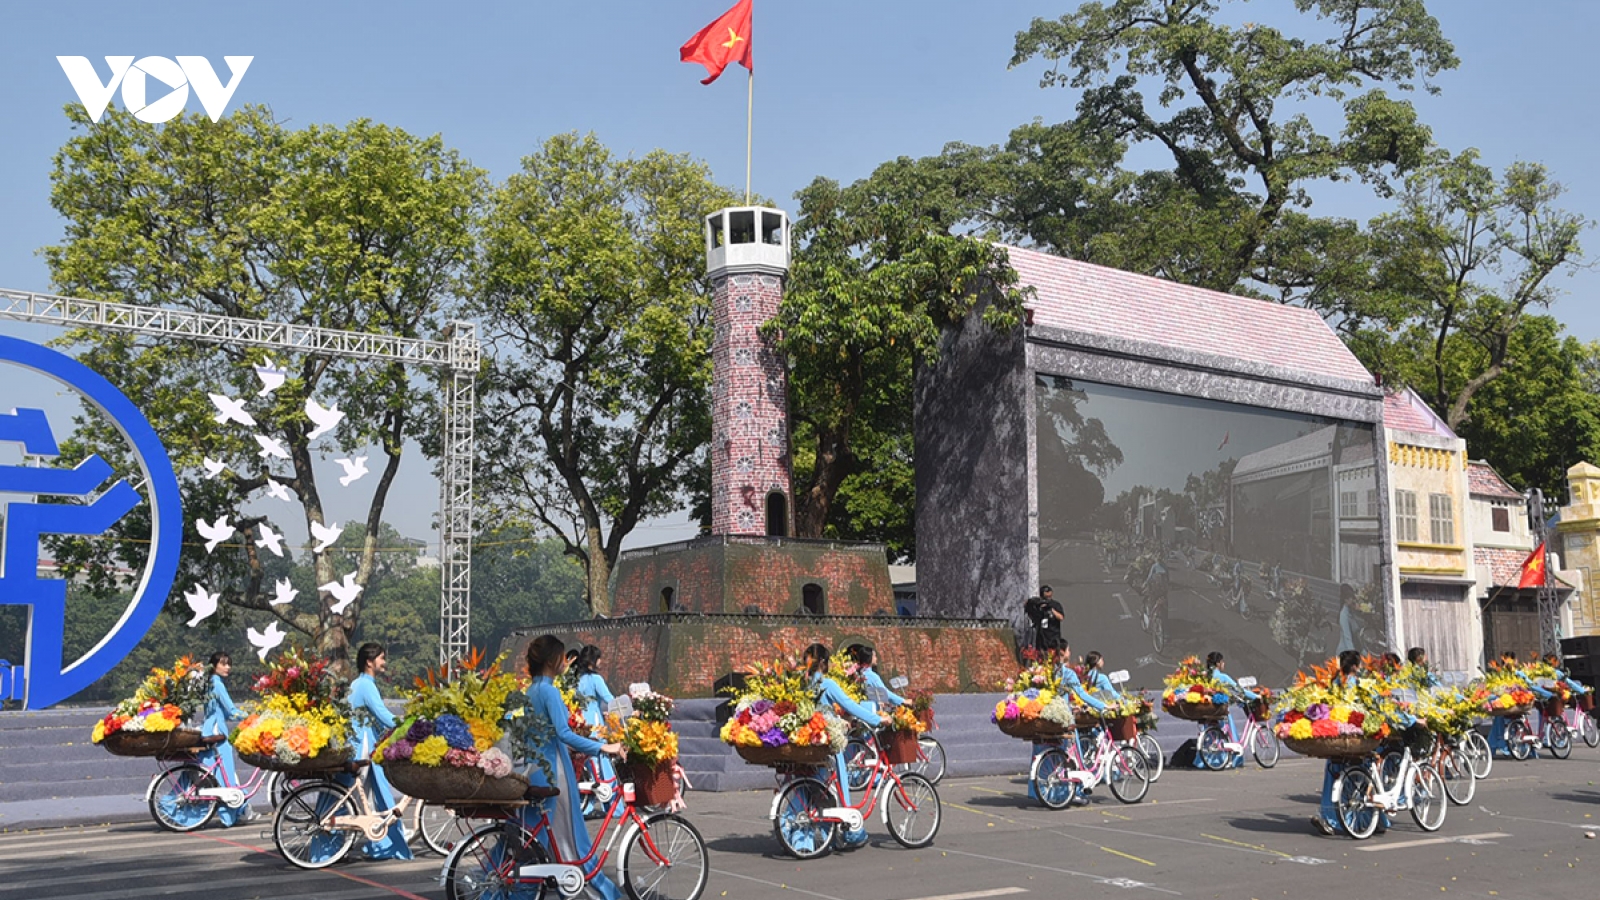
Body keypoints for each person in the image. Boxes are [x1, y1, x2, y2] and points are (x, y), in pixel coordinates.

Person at [522, 635, 625, 899]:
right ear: (550, 661)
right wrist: (603, 747)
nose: (566, 662)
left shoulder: (531, 690)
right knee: (571, 834)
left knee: (531, 835)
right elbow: (564, 734)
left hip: (534, 764)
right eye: (561, 657)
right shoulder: (549, 691)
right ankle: (599, 889)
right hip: (553, 766)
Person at [802, 642, 883, 849]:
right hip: (828, 741)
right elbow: (850, 705)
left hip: (809, 741)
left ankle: (815, 836)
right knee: (839, 783)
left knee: (816, 790)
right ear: (822, 663)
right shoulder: (826, 684)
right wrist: (877, 720)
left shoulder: (804, 684)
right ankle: (849, 830)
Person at [347, 642, 412, 860]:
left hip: (358, 742)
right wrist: (410, 725)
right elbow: (383, 715)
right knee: (380, 794)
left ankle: (384, 840)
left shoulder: (356, 683)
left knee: (361, 797)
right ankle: (387, 843)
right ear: (369, 661)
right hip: (365, 746)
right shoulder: (366, 686)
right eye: (382, 658)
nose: (384, 663)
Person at [197, 651, 254, 826]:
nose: (228, 667)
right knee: (226, 775)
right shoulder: (217, 683)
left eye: (229, 663)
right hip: (217, 731)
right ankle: (230, 816)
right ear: (214, 666)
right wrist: (251, 716)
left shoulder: (209, 682)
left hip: (209, 728)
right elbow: (230, 710)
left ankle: (237, 811)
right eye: (223, 663)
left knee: (219, 773)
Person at [1313, 651, 1364, 836]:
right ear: (1355, 667)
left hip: (1334, 732)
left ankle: (1329, 816)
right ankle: (1354, 818)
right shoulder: (1355, 683)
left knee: (1333, 771)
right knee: (1360, 772)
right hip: (1352, 732)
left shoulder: (1333, 682)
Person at [573, 645, 618, 791]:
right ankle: (612, 802)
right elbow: (609, 699)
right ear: (593, 661)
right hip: (595, 724)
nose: (601, 661)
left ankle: (588, 804)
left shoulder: (575, 679)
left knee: (586, 763)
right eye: (599, 658)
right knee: (603, 760)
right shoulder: (595, 679)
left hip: (579, 723)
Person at [1204, 651, 1259, 769]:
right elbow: (1239, 690)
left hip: (1208, 711)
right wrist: (1256, 697)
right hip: (1220, 710)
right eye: (1222, 661)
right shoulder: (1222, 677)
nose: (1224, 664)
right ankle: (1231, 759)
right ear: (1218, 663)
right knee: (1230, 733)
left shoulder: (1204, 677)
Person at [851, 645, 909, 710]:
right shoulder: (871, 676)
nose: (876, 658)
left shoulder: (857, 674)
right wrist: (903, 701)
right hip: (871, 710)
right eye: (874, 656)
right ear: (869, 658)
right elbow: (885, 694)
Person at [1025, 586, 1064, 652]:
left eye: (1049, 596)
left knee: (1053, 655)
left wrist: (1051, 610)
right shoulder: (1038, 605)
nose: (1048, 598)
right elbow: (1028, 609)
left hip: (1053, 637)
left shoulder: (1055, 605)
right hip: (1041, 636)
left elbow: (1061, 617)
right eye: (1046, 597)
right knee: (1041, 655)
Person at [1336, 585, 1363, 655]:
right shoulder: (1344, 615)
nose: (1354, 601)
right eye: (1352, 598)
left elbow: (1356, 634)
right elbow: (1347, 637)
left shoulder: (1351, 612)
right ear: (1346, 600)